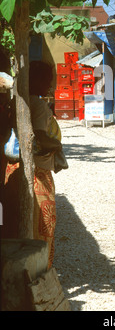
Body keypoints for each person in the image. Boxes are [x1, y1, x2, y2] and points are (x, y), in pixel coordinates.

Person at [3, 60, 63, 269]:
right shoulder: (35, 104)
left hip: (16, 170)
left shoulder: (20, 101)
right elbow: (37, 137)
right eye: (45, 79)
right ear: (33, 80)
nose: (49, 84)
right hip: (36, 172)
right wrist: (56, 145)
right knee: (42, 225)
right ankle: (39, 271)